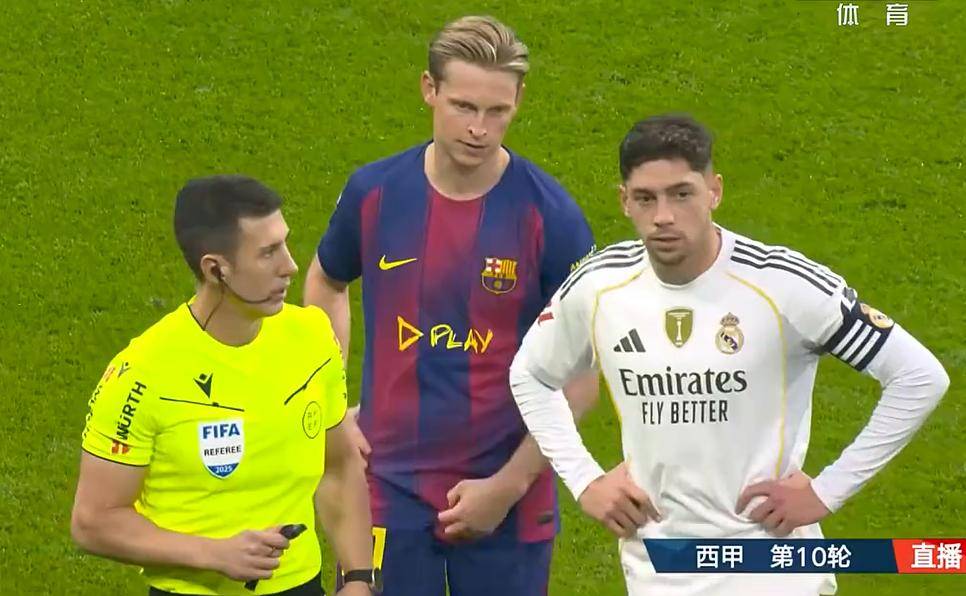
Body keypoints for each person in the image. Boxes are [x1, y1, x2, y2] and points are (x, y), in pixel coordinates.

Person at [509, 114, 950, 595]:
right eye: (646, 198)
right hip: (658, 569)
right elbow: (531, 375)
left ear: (714, 191)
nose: (663, 216)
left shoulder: (781, 285)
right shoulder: (600, 287)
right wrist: (585, 480)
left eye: (682, 194)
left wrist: (827, 491)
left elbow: (918, 376)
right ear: (624, 201)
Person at [303, 15, 598, 596]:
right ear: (429, 89)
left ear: (519, 101)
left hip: (509, 492)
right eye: (463, 106)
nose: (479, 129)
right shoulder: (374, 193)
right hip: (385, 487)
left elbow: (583, 373)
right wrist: (331, 404)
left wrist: (508, 486)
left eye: (497, 111)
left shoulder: (551, 216)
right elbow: (326, 281)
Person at [71, 176, 379, 596]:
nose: (290, 265)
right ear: (215, 269)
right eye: (268, 253)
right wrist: (215, 554)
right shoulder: (142, 374)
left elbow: (339, 466)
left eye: (284, 244)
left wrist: (359, 577)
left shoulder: (311, 337)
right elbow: (93, 521)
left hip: (302, 587)